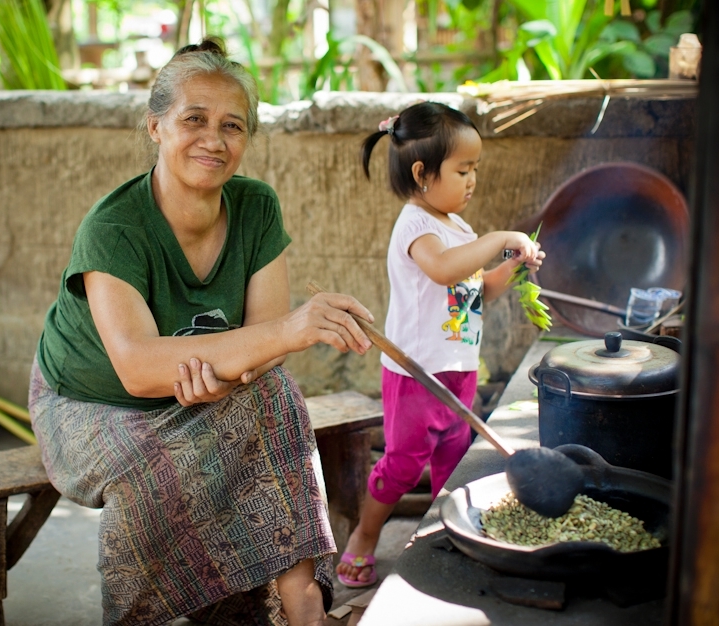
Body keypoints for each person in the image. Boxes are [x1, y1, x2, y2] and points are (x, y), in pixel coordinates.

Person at [29, 37, 375, 626]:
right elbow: (138, 369)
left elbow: (263, 345)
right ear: (155, 126)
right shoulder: (114, 226)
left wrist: (231, 372)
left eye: (233, 126)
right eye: (194, 119)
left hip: (201, 391)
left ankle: (302, 602)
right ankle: (155, 615)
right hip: (89, 403)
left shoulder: (256, 207)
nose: (214, 140)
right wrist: (281, 336)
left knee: (275, 397)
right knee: (158, 472)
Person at [335, 102, 545, 588]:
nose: (472, 180)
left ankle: (442, 536)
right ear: (422, 174)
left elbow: (477, 292)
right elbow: (444, 270)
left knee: (453, 466)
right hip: (416, 374)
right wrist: (499, 236)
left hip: (459, 369)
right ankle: (365, 537)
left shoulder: (459, 229)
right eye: (463, 170)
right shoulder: (416, 226)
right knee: (402, 466)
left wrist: (511, 263)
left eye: (476, 170)